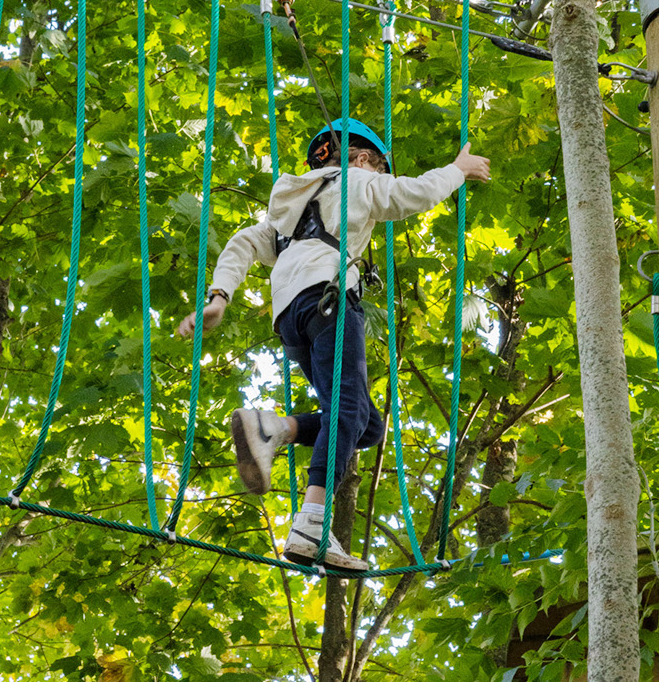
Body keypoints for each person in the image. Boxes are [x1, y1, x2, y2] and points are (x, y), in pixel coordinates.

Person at [176, 118, 491, 570]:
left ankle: (275, 429)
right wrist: (458, 169)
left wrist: (220, 295)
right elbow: (413, 195)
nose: (381, 176)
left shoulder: (289, 212)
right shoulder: (359, 180)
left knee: (366, 425)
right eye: (380, 167)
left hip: (292, 317)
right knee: (348, 407)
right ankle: (312, 521)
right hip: (330, 299)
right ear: (363, 158)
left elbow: (242, 243)